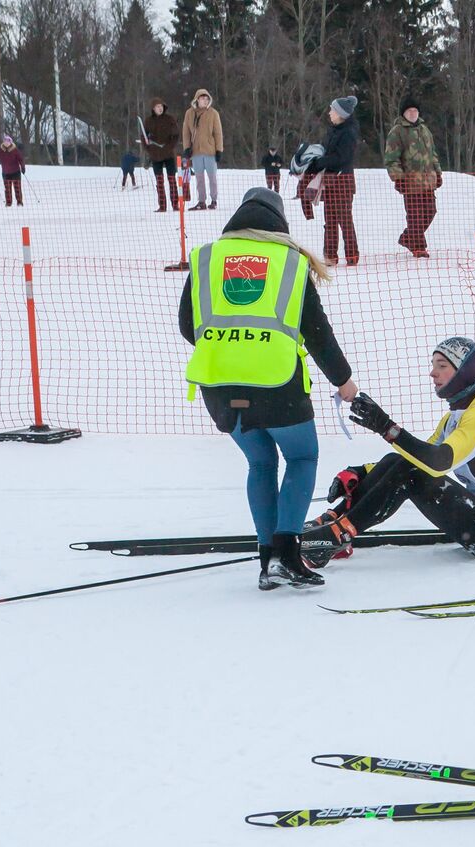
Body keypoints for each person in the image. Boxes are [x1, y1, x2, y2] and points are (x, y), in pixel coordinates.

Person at [178, 187, 358, 590]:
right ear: (279, 224)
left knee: (260, 464)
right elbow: (317, 333)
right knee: (302, 457)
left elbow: (188, 326)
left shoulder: (207, 259)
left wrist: (233, 348)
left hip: (220, 388)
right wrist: (343, 381)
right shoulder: (289, 262)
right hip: (278, 387)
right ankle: (288, 555)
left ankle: (266, 561)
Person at [302, 336, 475, 567]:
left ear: (464, 372)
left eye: (442, 365)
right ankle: (333, 521)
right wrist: (361, 472)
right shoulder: (456, 417)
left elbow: (438, 462)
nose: (433, 373)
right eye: (433, 365)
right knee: (400, 461)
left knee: (411, 473)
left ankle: (335, 536)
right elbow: (413, 457)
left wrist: (386, 427)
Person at [303, 96, 360, 266]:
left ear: (341, 114)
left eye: (332, 110)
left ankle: (352, 255)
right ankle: (330, 255)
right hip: (329, 182)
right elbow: (326, 152)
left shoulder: (348, 133)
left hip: (343, 181)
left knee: (344, 219)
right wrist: (313, 161)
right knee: (330, 220)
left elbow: (341, 158)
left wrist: (320, 162)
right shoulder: (333, 130)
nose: (329, 113)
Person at [384, 95, 442, 258]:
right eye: (409, 111)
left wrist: (437, 173)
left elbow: (433, 154)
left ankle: (407, 237)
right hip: (410, 182)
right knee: (415, 216)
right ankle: (418, 247)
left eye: (415, 110)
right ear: (404, 113)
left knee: (430, 212)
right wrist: (398, 178)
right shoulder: (397, 132)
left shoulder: (424, 129)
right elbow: (391, 158)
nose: (413, 113)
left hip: (428, 181)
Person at [182, 88, 224, 210]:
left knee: (212, 177)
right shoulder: (189, 113)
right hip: (196, 151)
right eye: (202, 98)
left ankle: (214, 200)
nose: (205, 101)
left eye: (207, 99)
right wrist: (187, 148)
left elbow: (218, 133)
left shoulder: (213, 113)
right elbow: (186, 132)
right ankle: (201, 201)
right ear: (197, 99)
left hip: (210, 151)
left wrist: (219, 150)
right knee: (199, 178)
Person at [142, 97, 181, 213]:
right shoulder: (148, 121)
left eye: (161, 106)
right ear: (153, 109)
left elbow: (176, 136)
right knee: (159, 181)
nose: (160, 109)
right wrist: (149, 148)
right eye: (157, 107)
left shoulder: (170, 119)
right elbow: (144, 137)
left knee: (172, 180)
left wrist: (169, 147)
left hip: (168, 153)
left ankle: (175, 205)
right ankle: (162, 206)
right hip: (155, 155)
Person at [0, 135, 25, 207]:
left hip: (15, 172)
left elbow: (21, 159)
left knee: (17, 188)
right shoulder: (1, 150)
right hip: (5, 173)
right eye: (5, 141)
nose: (6, 143)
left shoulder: (15, 150)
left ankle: (19, 202)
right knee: (7, 189)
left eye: (8, 141)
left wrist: (23, 167)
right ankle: (8, 203)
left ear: (11, 142)